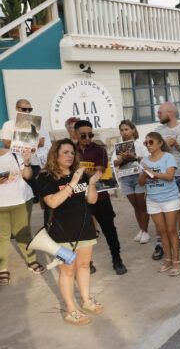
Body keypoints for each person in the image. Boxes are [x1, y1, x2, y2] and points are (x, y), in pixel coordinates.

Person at [37, 139, 102, 325]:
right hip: (62, 232)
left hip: (85, 229)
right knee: (67, 270)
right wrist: (72, 183)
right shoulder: (46, 176)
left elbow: (92, 201)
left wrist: (90, 184)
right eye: (65, 152)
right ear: (55, 154)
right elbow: (52, 203)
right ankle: (70, 310)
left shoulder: (79, 174)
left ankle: (86, 300)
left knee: (83, 265)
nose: (69, 156)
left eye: (72, 153)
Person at [75, 120, 126, 275]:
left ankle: (117, 260)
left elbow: (99, 173)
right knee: (83, 233)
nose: (87, 138)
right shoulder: (70, 149)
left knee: (109, 230)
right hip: (78, 197)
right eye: (83, 135)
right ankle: (87, 262)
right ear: (76, 134)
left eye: (90, 134)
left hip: (100, 196)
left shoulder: (99, 150)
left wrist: (78, 170)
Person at [139, 132, 180, 276]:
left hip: (170, 198)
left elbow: (170, 177)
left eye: (151, 142)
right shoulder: (144, 161)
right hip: (153, 200)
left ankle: (177, 261)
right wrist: (142, 171)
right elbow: (141, 183)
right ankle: (168, 259)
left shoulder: (168, 157)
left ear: (160, 143)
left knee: (171, 230)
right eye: (146, 143)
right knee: (162, 231)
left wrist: (151, 172)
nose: (148, 145)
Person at [154, 102, 180, 257]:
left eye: (160, 113)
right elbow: (156, 154)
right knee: (162, 208)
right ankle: (161, 241)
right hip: (164, 176)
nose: (158, 115)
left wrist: (175, 144)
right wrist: (168, 147)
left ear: (170, 113)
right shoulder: (158, 131)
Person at [0, 147, 41, 286]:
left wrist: (27, 160)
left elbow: (27, 176)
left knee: (23, 233)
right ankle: (2, 268)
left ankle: (31, 260)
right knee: (2, 236)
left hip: (22, 200)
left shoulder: (15, 154)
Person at [112, 120, 150, 244]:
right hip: (125, 177)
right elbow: (114, 163)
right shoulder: (119, 146)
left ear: (133, 130)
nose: (124, 132)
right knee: (135, 206)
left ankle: (145, 231)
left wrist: (133, 157)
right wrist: (121, 159)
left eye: (126, 129)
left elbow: (148, 159)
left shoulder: (140, 144)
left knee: (142, 205)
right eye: (122, 130)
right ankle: (141, 229)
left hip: (139, 176)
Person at [1, 98, 50, 165]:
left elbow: (41, 142)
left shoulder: (37, 123)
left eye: (30, 110)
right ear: (17, 108)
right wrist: (32, 142)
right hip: (16, 161)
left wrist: (17, 142)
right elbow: (6, 144)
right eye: (24, 109)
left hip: (34, 161)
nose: (27, 112)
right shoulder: (8, 125)